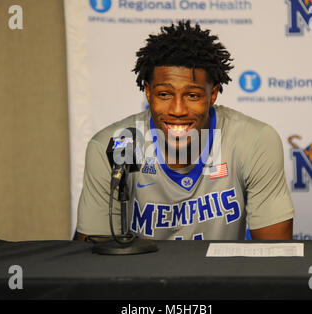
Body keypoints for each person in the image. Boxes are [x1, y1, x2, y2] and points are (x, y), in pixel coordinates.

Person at [75, 20, 294, 242]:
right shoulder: (117, 144)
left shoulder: (252, 141)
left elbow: (275, 254)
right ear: (148, 92)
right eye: (164, 94)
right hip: (138, 277)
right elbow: (92, 257)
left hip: (222, 276)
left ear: (213, 94)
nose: (178, 110)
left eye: (193, 95)